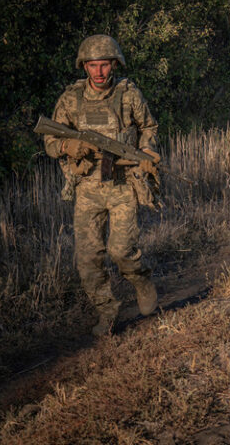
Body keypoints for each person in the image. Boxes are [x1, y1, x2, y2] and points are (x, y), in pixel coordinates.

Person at [43, 34, 161, 336]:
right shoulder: (71, 98)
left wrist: (147, 151)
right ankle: (107, 313)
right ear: (84, 66)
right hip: (87, 187)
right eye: (92, 65)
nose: (98, 72)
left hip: (122, 184)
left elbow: (148, 127)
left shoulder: (128, 94)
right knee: (88, 258)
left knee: (121, 250)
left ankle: (140, 280)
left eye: (104, 65)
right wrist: (68, 146)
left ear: (114, 65)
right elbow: (50, 140)